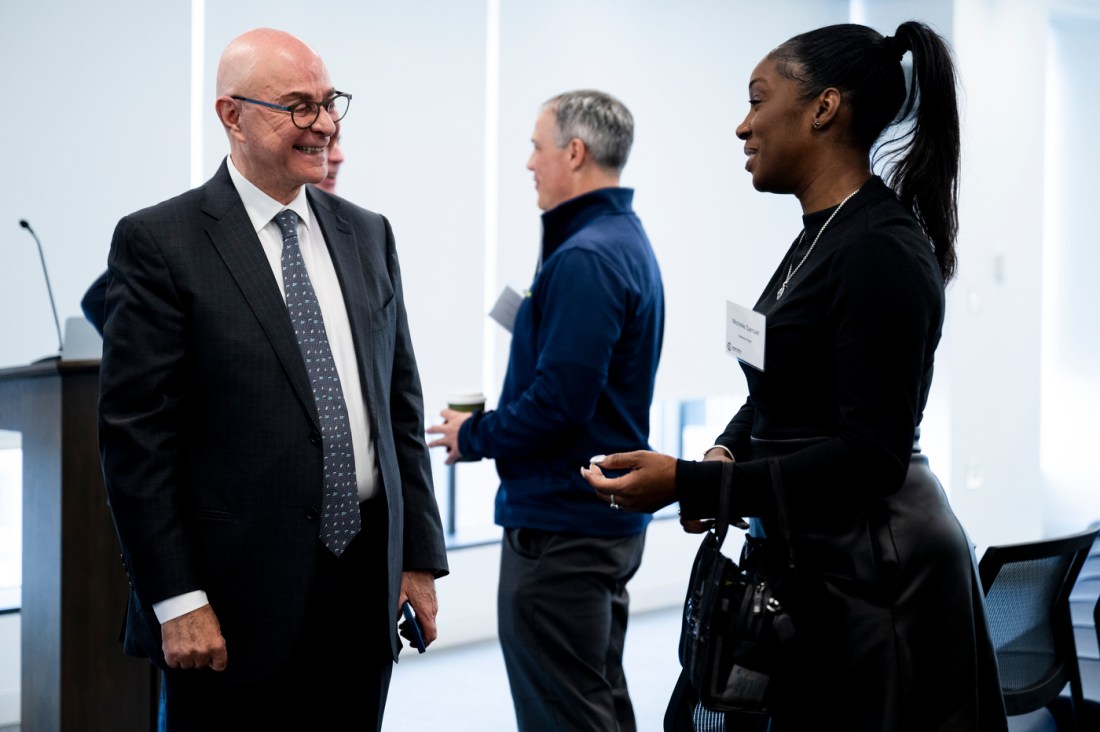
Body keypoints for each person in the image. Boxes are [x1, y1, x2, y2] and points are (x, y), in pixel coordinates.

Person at [582, 22, 1008, 732]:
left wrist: (693, 483)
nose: (742, 125)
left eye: (758, 98)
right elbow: (781, 382)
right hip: (818, 561)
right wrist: (724, 450)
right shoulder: (822, 233)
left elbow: (869, 454)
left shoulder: (881, 249)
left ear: (823, 108)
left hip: (883, 575)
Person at [98, 28, 448, 731]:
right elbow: (137, 444)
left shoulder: (368, 233)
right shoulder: (161, 243)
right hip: (230, 605)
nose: (323, 124)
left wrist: (417, 558)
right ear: (233, 115)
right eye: (298, 106)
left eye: (329, 103)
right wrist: (177, 600)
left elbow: (397, 410)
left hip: (362, 590)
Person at [427, 90, 664, 731]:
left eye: (537, 147)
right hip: (591, 526)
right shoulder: (615, 240)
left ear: (575, 152)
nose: (529, 163)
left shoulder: (586, 258)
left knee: (564, 712)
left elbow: (560, 405)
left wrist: (473, 434)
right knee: (595, 700)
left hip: (562, 531)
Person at [83, 133, 346, 335]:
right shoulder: (199, 232)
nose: (336, 157)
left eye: (334, 142)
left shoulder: (355, 237)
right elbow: (98, 298)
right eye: (322, 145)